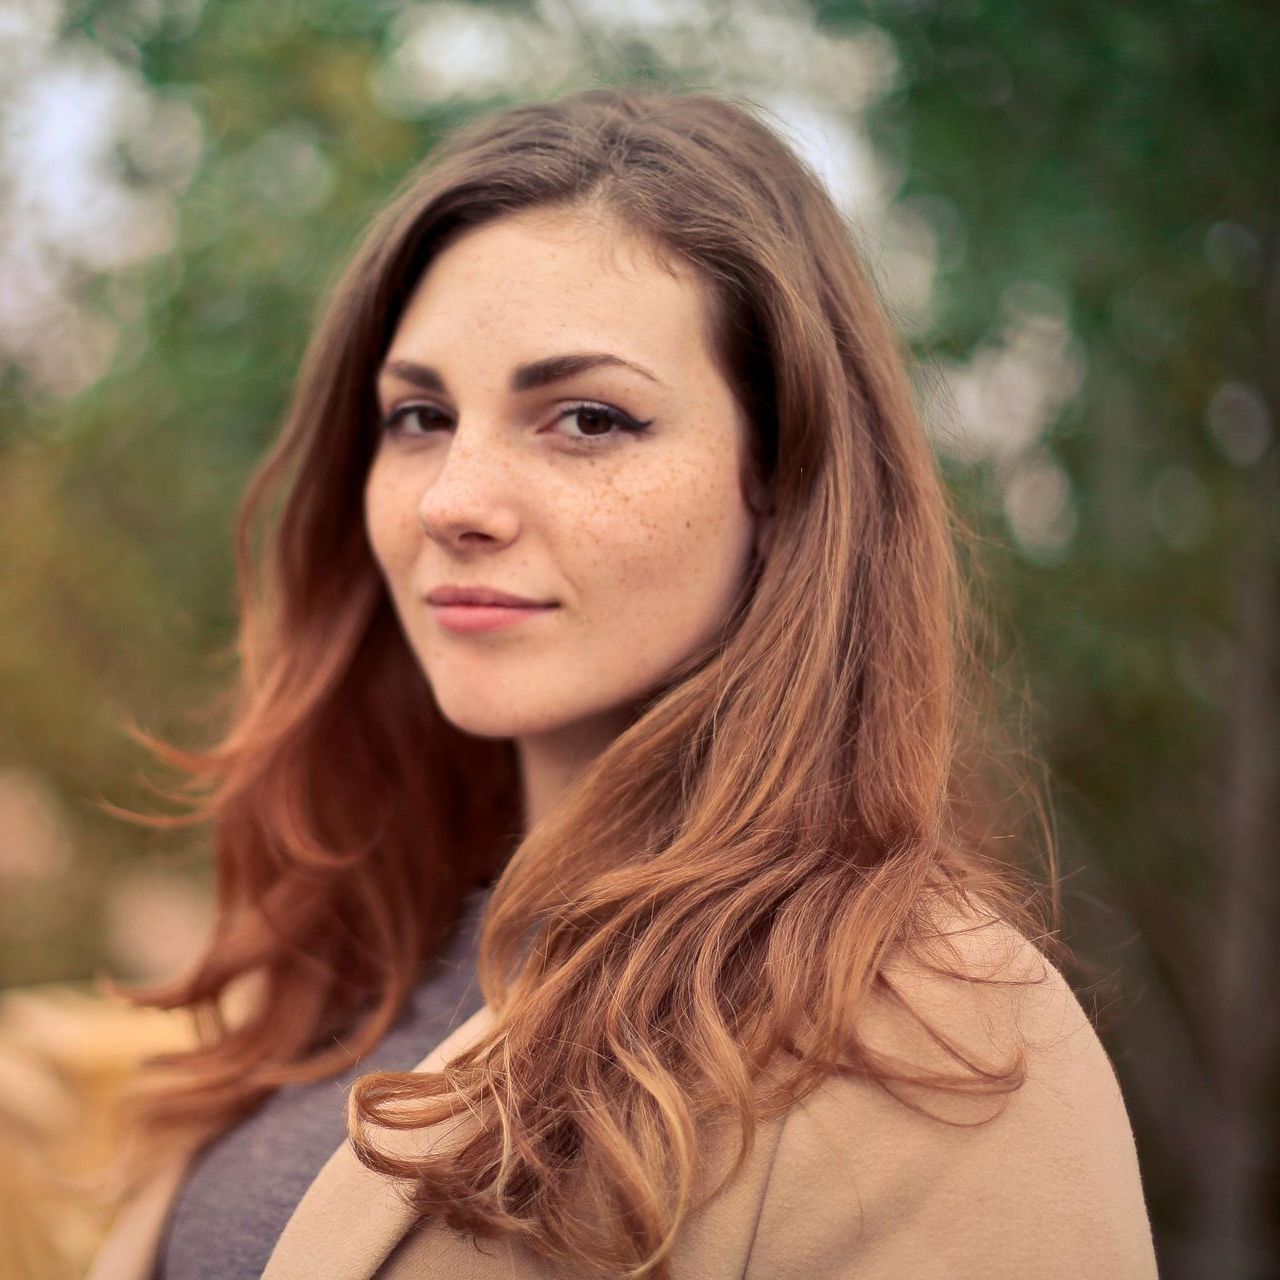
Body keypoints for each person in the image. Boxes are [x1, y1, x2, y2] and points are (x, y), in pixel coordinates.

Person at [85, 86, 1158, 1280]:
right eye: (420, 416)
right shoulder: (350, 958)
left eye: (587, 419)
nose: (453, 500)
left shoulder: (926, 1031)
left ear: (780, 477)